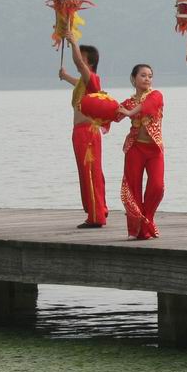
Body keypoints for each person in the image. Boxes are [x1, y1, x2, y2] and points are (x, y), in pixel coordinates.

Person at [58, 32, 108, 228]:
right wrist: (65, 76)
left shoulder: (93, 78)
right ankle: (99, 209)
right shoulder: (85, 82)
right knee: (87, 171)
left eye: (82, 57)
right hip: (80, 132)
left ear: (90, 63)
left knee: (90, 172)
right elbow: (78, 81)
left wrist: (73, 42)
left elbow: (79, 63)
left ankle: (96, 217)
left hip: (87, 132)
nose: (78, 60)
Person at [116, 64, 165, 240]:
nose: (147, 79)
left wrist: (129, 113)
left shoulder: (156, 95)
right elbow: (113, 115)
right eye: (143, 75)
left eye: (150, 76)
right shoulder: (128, 102)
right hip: (135, 148)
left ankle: (148, 220)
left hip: (154, 149)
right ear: (133, 78)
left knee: (157, 187)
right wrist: (99, 103)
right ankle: (136, 229)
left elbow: (148, 107)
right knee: (133, 188)